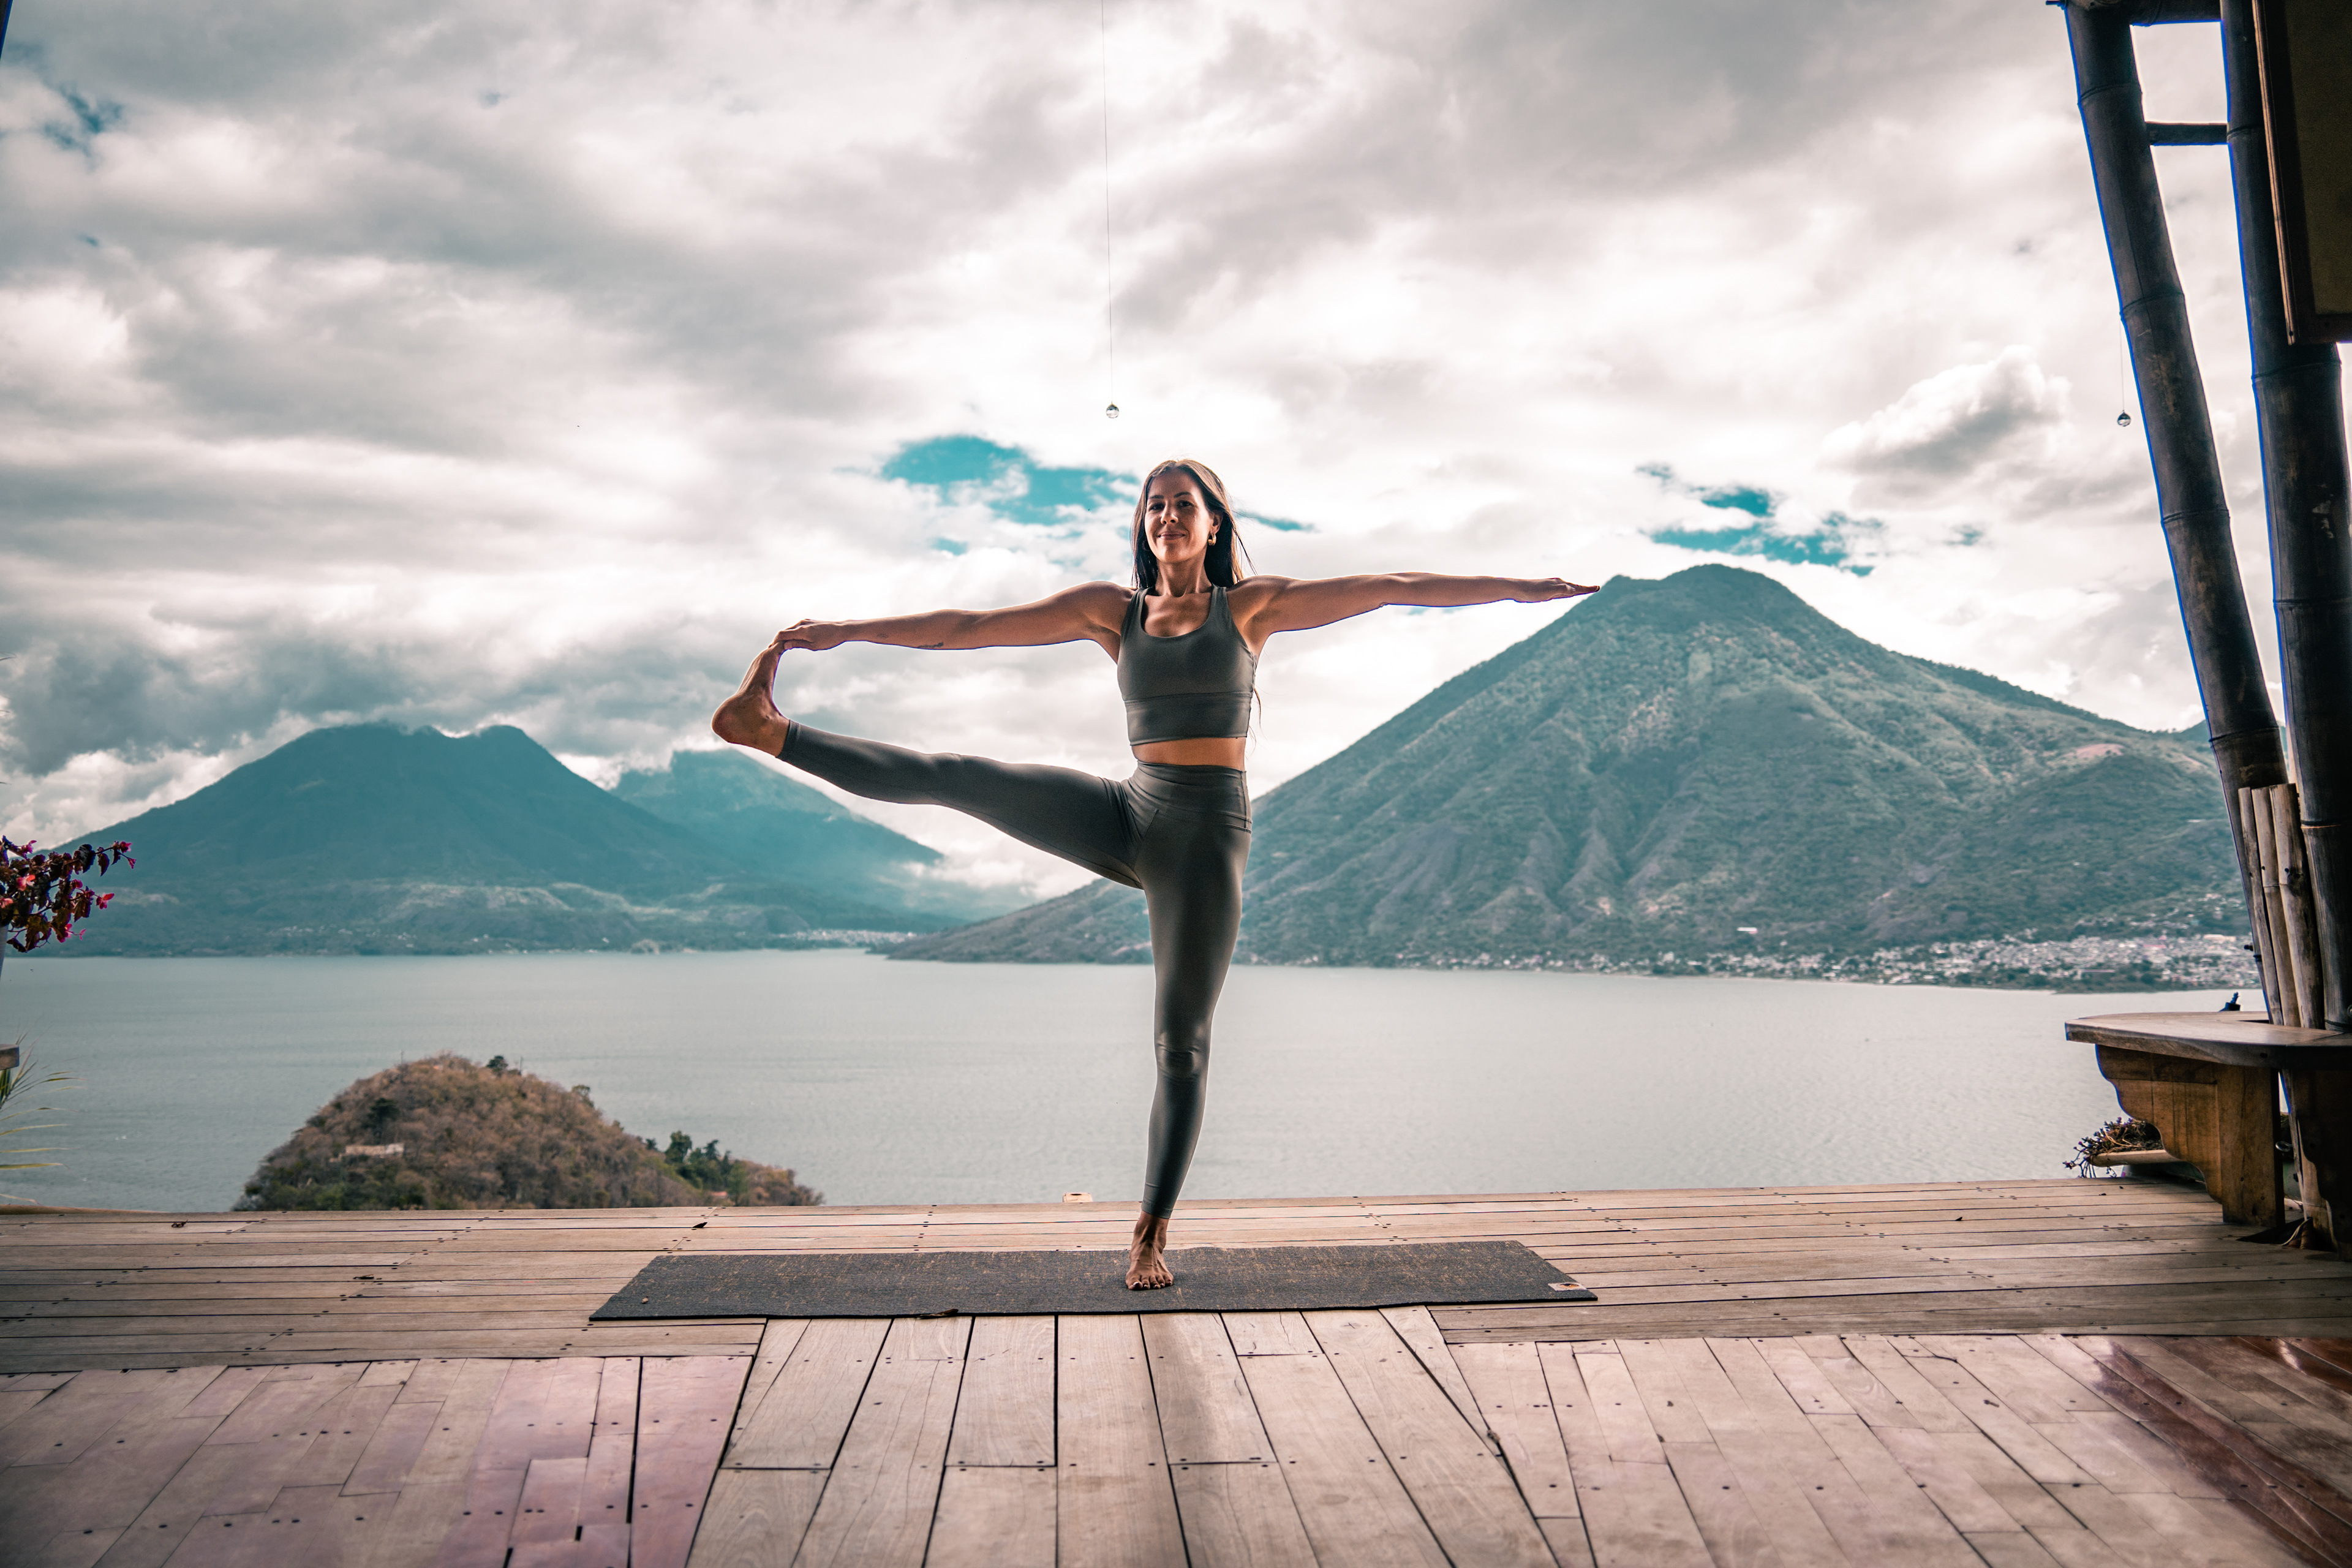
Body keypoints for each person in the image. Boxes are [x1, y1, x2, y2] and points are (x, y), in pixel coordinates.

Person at [712, 458, 1595, 1287]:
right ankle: (771, 731)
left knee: (1181, 1046)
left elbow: (1398, 586)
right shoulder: (1112, 611)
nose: (1167, 515)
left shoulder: (1252, 609)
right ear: (1145, 524)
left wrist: (1525, 587)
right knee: (955, 775)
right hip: (1130, 812)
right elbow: (968, 630)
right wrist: (847, 631)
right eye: (1155, 503)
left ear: (1214, 526)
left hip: (1206, 839)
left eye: (1184, 503)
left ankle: (1149, 1231)